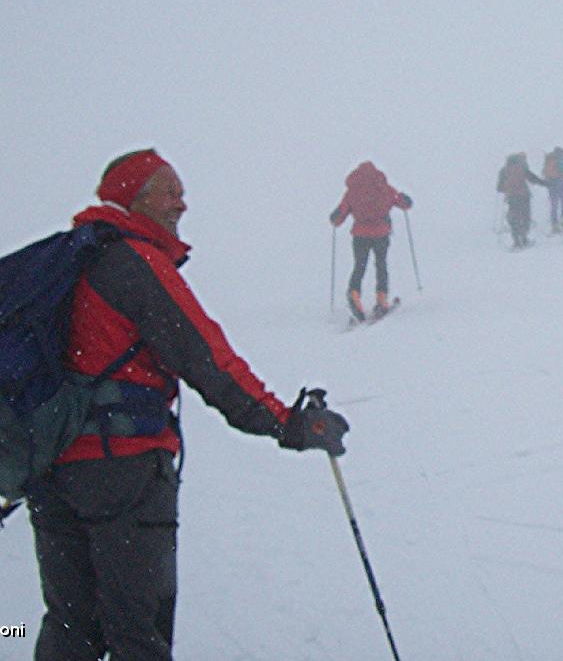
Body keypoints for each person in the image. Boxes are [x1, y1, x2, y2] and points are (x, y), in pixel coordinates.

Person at [28, 149, 349, 661]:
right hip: (123, 470)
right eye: (170, 190)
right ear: (136, 197)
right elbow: (208, 360)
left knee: (71, 623)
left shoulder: (72, 261)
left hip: (53, 471)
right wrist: (287, 422)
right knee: (138, 629)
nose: (183, 203)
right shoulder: (135, 263)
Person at [330, 161, 413, 321]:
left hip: (360, 235)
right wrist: (405, 200)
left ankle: (354, 294)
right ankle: (381, 299)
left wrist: (334, 218)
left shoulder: (352, 192)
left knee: (359, 266)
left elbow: (340, 214)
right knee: (381, 265)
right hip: (381, 233)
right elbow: (401, 202)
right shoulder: (383, 188)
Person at [496, 152, 546, 248]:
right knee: (525, 217)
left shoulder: (504, 170)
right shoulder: (522, 168)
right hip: (524, 196)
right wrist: (545, 183)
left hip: (511, 198)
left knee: (513, 218)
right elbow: (532, 178)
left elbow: (499, 188)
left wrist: (508, 190)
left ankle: (516, 241)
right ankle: (524, 238)